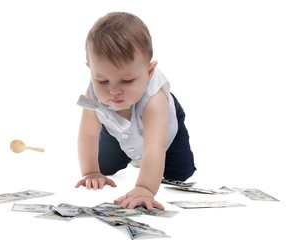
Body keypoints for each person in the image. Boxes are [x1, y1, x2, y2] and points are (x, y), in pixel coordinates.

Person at [75, 12, 196, 210]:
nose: (113, 91)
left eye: (127, 80)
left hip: (163, 134)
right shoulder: (93, 91)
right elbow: (88, 134)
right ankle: (134, 157)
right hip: (117, 129)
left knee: (180, 173)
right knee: (103, 168)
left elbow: (155, 144)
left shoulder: (155, 98)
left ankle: (147, 164)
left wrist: (145, 188)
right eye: (103, 81)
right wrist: (90, 172)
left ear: (149, 72)